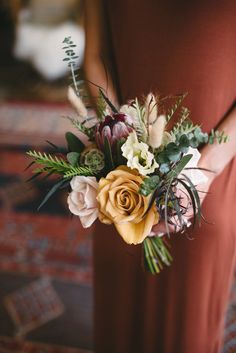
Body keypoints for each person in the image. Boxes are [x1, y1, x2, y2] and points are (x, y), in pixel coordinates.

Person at [83, 1, 236, 352]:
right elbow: (96, 55)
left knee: (188, 331)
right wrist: (118, 142)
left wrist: (203, 171)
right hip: (122, 175)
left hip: (212, 170)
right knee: (119, 324)